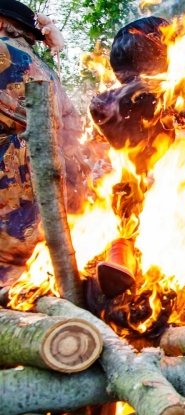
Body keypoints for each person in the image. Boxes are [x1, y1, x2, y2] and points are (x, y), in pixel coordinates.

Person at [0, 3, 86, 287]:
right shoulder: (45, 69)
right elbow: (73, 127)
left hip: (6, 170)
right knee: (20, 269)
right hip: (45, 176)